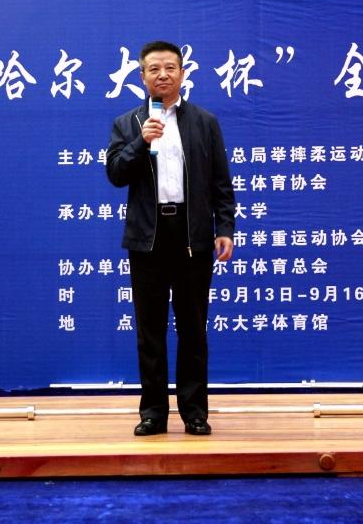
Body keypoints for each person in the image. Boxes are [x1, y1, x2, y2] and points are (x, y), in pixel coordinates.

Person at [106, 40, 235, 437]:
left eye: (170, 68)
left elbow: (220, 182)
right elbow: (115, 174)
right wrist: (140, 142)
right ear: (142, 76)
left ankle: (194, 412)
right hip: (148, 238)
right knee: (150, 331)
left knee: (193, 329)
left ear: (182, 73)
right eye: (154, 69)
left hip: (192, 236)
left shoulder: (204, 122)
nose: (162, 75)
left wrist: (225, 229)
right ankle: (153, 413)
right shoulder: (127, 123)